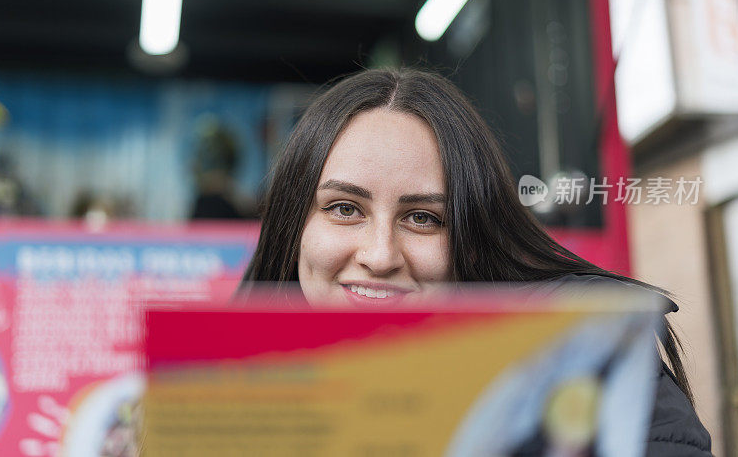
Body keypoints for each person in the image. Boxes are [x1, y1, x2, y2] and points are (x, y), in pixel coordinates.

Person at [240, 68, 712, 456]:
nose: (380, 255)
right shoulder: (219, 389)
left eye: (423, 218)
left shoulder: (583, 352)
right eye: (345, 209)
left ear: (471, 233)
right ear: (292, 225)